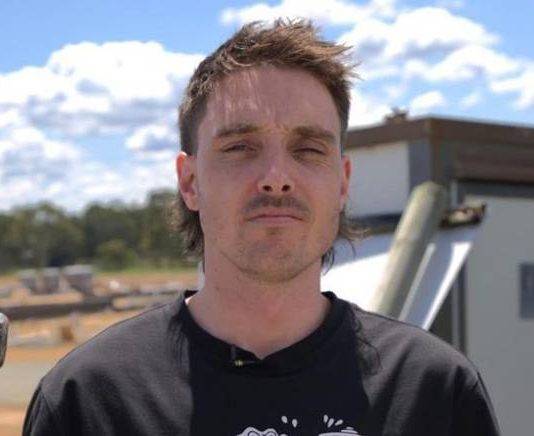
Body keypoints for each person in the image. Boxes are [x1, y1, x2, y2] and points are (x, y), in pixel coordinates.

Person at [24, 20, 501, 435]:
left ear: (341, 183)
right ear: (190, 182)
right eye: (240, 147)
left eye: (308, 149)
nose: (276, 178)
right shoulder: (90, 399)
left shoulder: (433, 392)